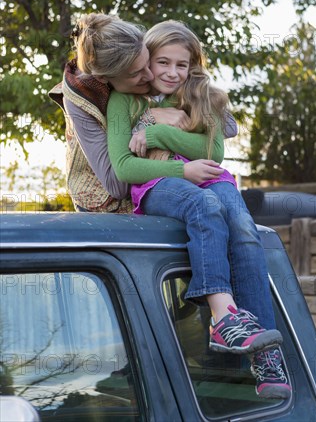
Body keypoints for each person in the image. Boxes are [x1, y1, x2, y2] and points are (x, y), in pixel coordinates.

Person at [106, 20, 291, 400]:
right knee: (204, 206)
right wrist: (181, 166)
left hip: (210, 175)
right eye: (163, 63)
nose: (172, 73)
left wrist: (157, 133)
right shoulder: (125, 99)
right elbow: (125, 167)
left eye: (182, 64)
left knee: (244, 228)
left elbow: (214, 153)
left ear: (193, 65)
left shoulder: (202, 94)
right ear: (146, 61)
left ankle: (265, 356)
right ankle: (223, 318)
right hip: (161, 184)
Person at [49, 13, 237, 213]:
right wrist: (151, 119)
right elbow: (117, 185)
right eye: (136, 73)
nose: (149, 75)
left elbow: (229, 126)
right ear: (105, 78)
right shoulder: (79, 101)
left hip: (159, 185)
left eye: (148, 63)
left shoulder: (141, 60)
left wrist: (193, 88)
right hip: (105, 207)